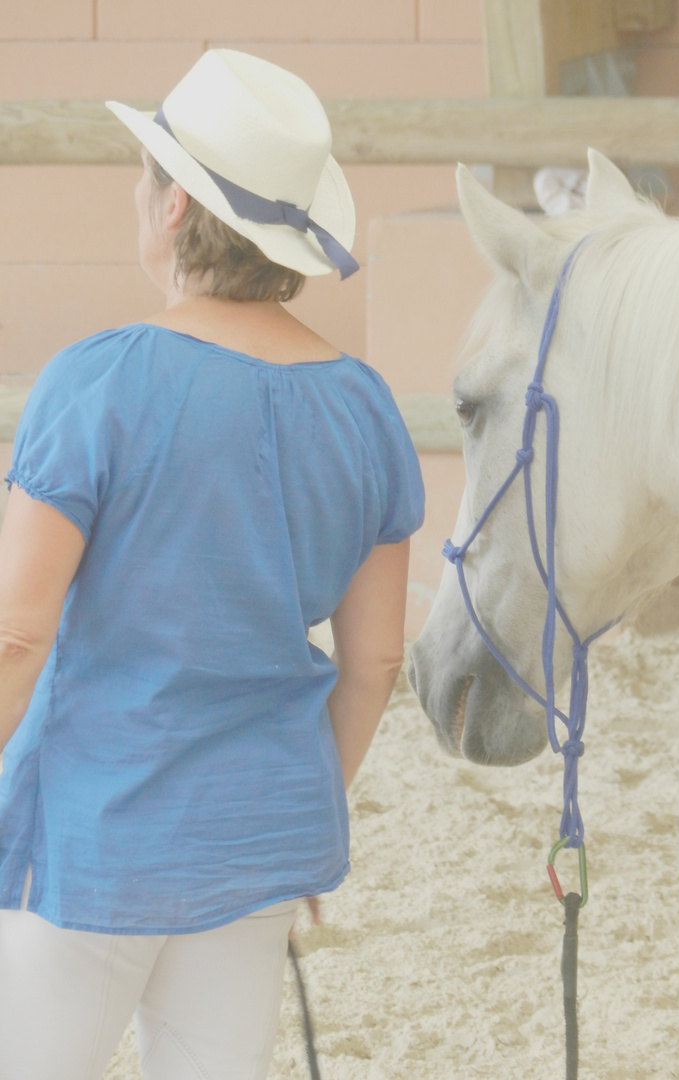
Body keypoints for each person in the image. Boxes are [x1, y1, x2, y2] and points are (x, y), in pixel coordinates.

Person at [0, 49, 424, 1080]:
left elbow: (16, 630)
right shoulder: (367, 405)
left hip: (89, 841)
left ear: (176, 205)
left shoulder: (97, 381)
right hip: (253, 844)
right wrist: (298, 821)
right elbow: (371, 666)